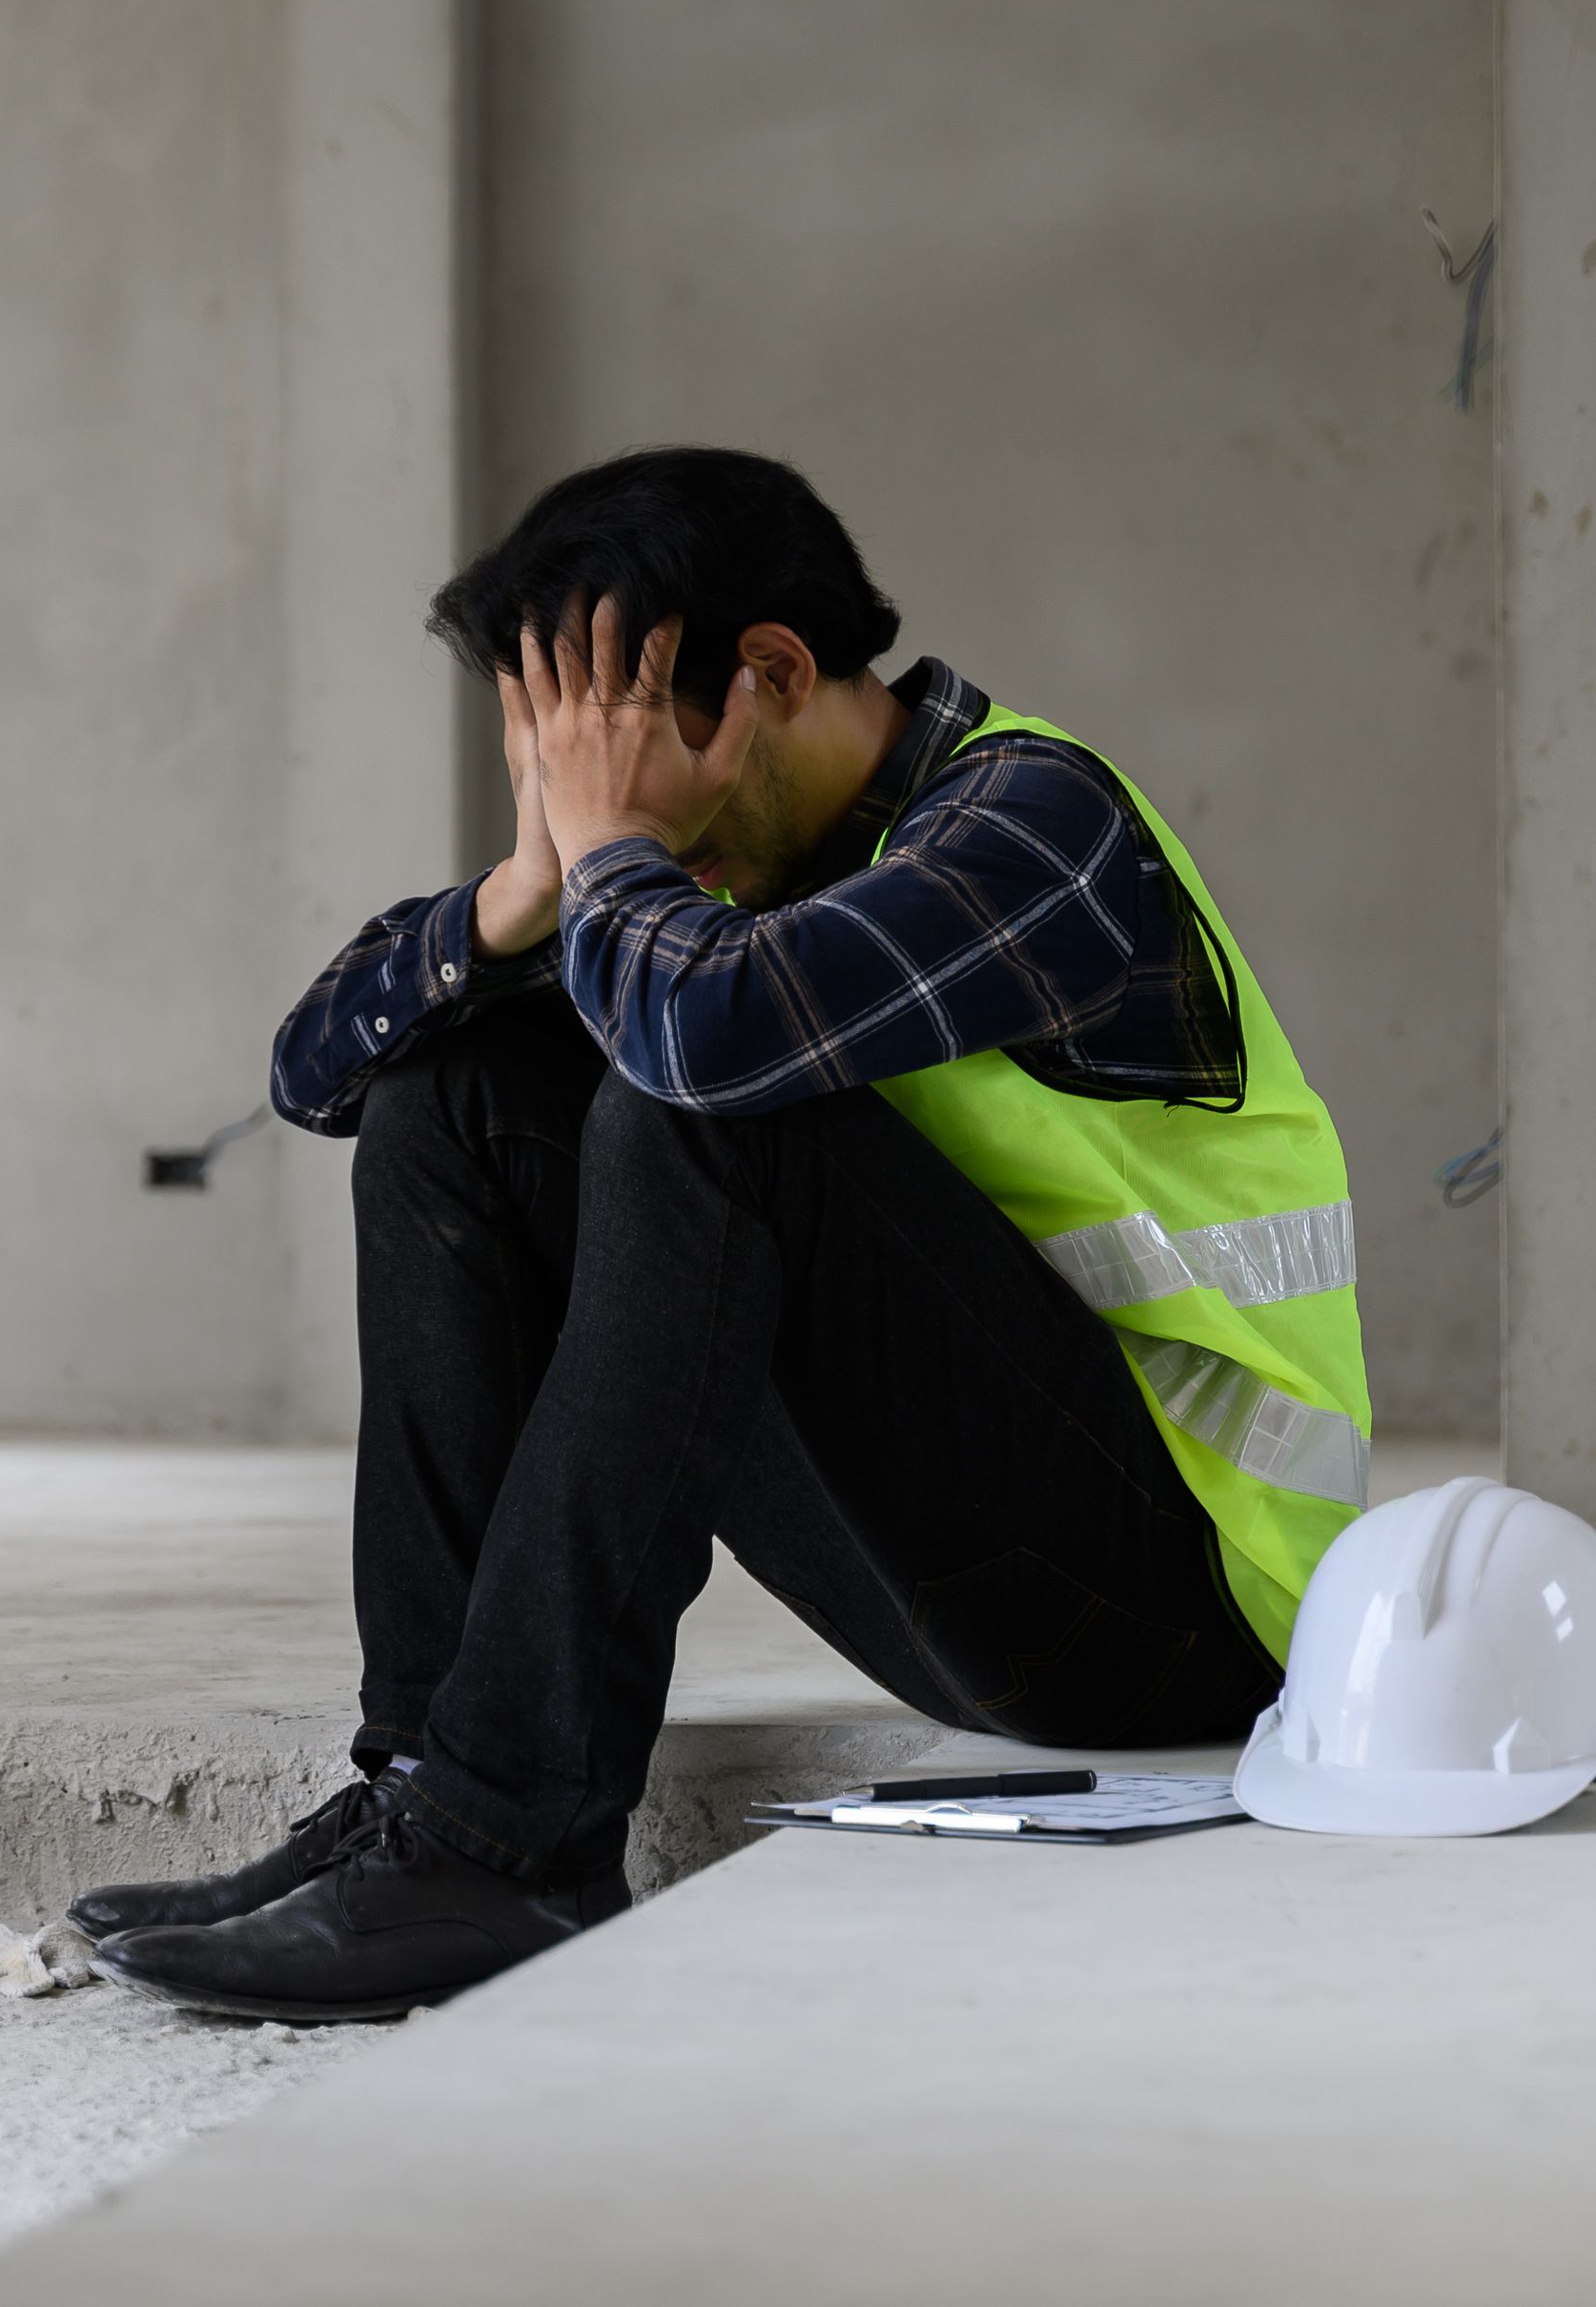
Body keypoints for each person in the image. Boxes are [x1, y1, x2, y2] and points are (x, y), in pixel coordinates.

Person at [78, 448, 1369, 2020]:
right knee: (458, 1092)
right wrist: (521, 889)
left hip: (1181, 1609)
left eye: (612, 742)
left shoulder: (1035, 818)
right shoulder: (716, 877)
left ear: (767, 671)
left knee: (688, 1100)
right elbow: (315, 1073)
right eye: (558, 755)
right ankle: (423, 1790)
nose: (590, 795)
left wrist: (614, 860)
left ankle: (513, 1843)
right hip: (965, 1580)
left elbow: (710, 1035)